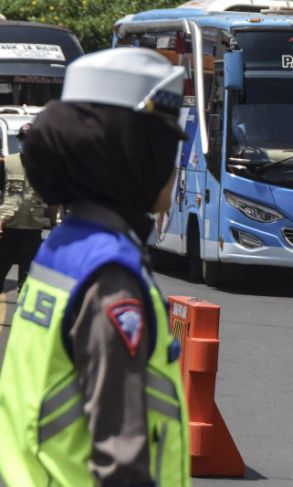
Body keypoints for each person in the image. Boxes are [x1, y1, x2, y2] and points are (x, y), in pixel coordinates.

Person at [0, 48, 191, 486]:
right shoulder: (110, 275)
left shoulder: (65, 247)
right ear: (133, 157)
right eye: (164, 150)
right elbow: (121, 462)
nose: (173, 168)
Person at [0, 123, 56, 292]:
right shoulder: (6, 164)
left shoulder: (46, 169)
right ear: (19, 141)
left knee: (26, 284)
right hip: (7, 229)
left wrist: (54, 226)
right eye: (23, 139)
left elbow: (52, 200)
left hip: (32, 231)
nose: (26, 143)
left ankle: (20, 316)